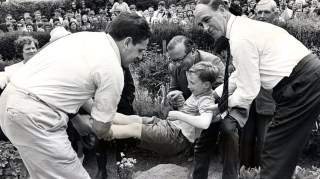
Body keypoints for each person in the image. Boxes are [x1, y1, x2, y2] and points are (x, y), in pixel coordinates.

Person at [0, 12, 151, 179]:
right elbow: (101, 128)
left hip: (11, 103)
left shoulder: (86, 38)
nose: (141, 56)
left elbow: (83, 98)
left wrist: (135, 121)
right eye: (140, 50)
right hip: (33, 115)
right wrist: (130, 129)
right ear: (128, 42)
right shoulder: (112, 68)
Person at [195, 1, 320, 179]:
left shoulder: (240, 37)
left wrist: (221, 106)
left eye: (207, 19)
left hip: (301, 84)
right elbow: (242, 74)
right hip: (304, 81)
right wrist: (215, 94)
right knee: (279, 153)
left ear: (222, 10)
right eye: (201, 24)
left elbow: (248, 90)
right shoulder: (242, 28)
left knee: (274, 153)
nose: (205, 27)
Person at [107, 61, 221, 155]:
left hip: (177, 138)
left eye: (192, 83)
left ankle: (98, 129)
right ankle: (102, 115)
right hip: (170, 126)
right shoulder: (198, 93)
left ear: (206, 85)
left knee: (134, 128)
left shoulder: (206, 100)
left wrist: (178, 114)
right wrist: (180, 101)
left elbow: (204, 123)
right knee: (135, 119)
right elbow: (191, 115)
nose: (188, 86)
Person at [166, 35, 225, 179]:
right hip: (189, 109)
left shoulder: (212, 62)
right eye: (173, 60)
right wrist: (173, 97)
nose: (177, 64)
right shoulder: (175, 65)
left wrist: (198, 109)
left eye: (180, 59)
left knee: (202, 147)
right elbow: (173, 88)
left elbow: (222, 93)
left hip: (210, 111)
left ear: (192, 51)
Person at [240, 0, 277, 169]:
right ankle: (245, 173)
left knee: (265, 140)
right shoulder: (249, 34)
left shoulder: (282, 37)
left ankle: (264, 174)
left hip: (268, 95)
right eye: (259, 12)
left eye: (266, 12)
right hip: (247, 96)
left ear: (275, 15)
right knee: (245, 138)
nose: (262, 16)